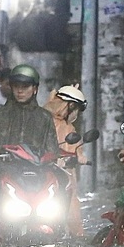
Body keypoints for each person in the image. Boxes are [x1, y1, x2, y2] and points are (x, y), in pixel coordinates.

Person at [0, 64, 59, 241]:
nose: (20, 91)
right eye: (16, 86)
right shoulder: (1, 114)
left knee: (59, 196)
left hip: (36, 175)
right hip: (3, 171)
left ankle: (62, 233)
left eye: (25, 87)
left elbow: (52, 148)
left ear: (35, 89)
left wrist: (58, 159)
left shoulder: (45, 117)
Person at [44, 85, 89, 237]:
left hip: (64, 174)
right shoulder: (42, 120)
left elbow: (76, 150)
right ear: (70, 106)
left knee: (75, 224)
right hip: (42, 172)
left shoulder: (69, 128)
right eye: (76, 110)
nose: (76, 114)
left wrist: (80, 157)